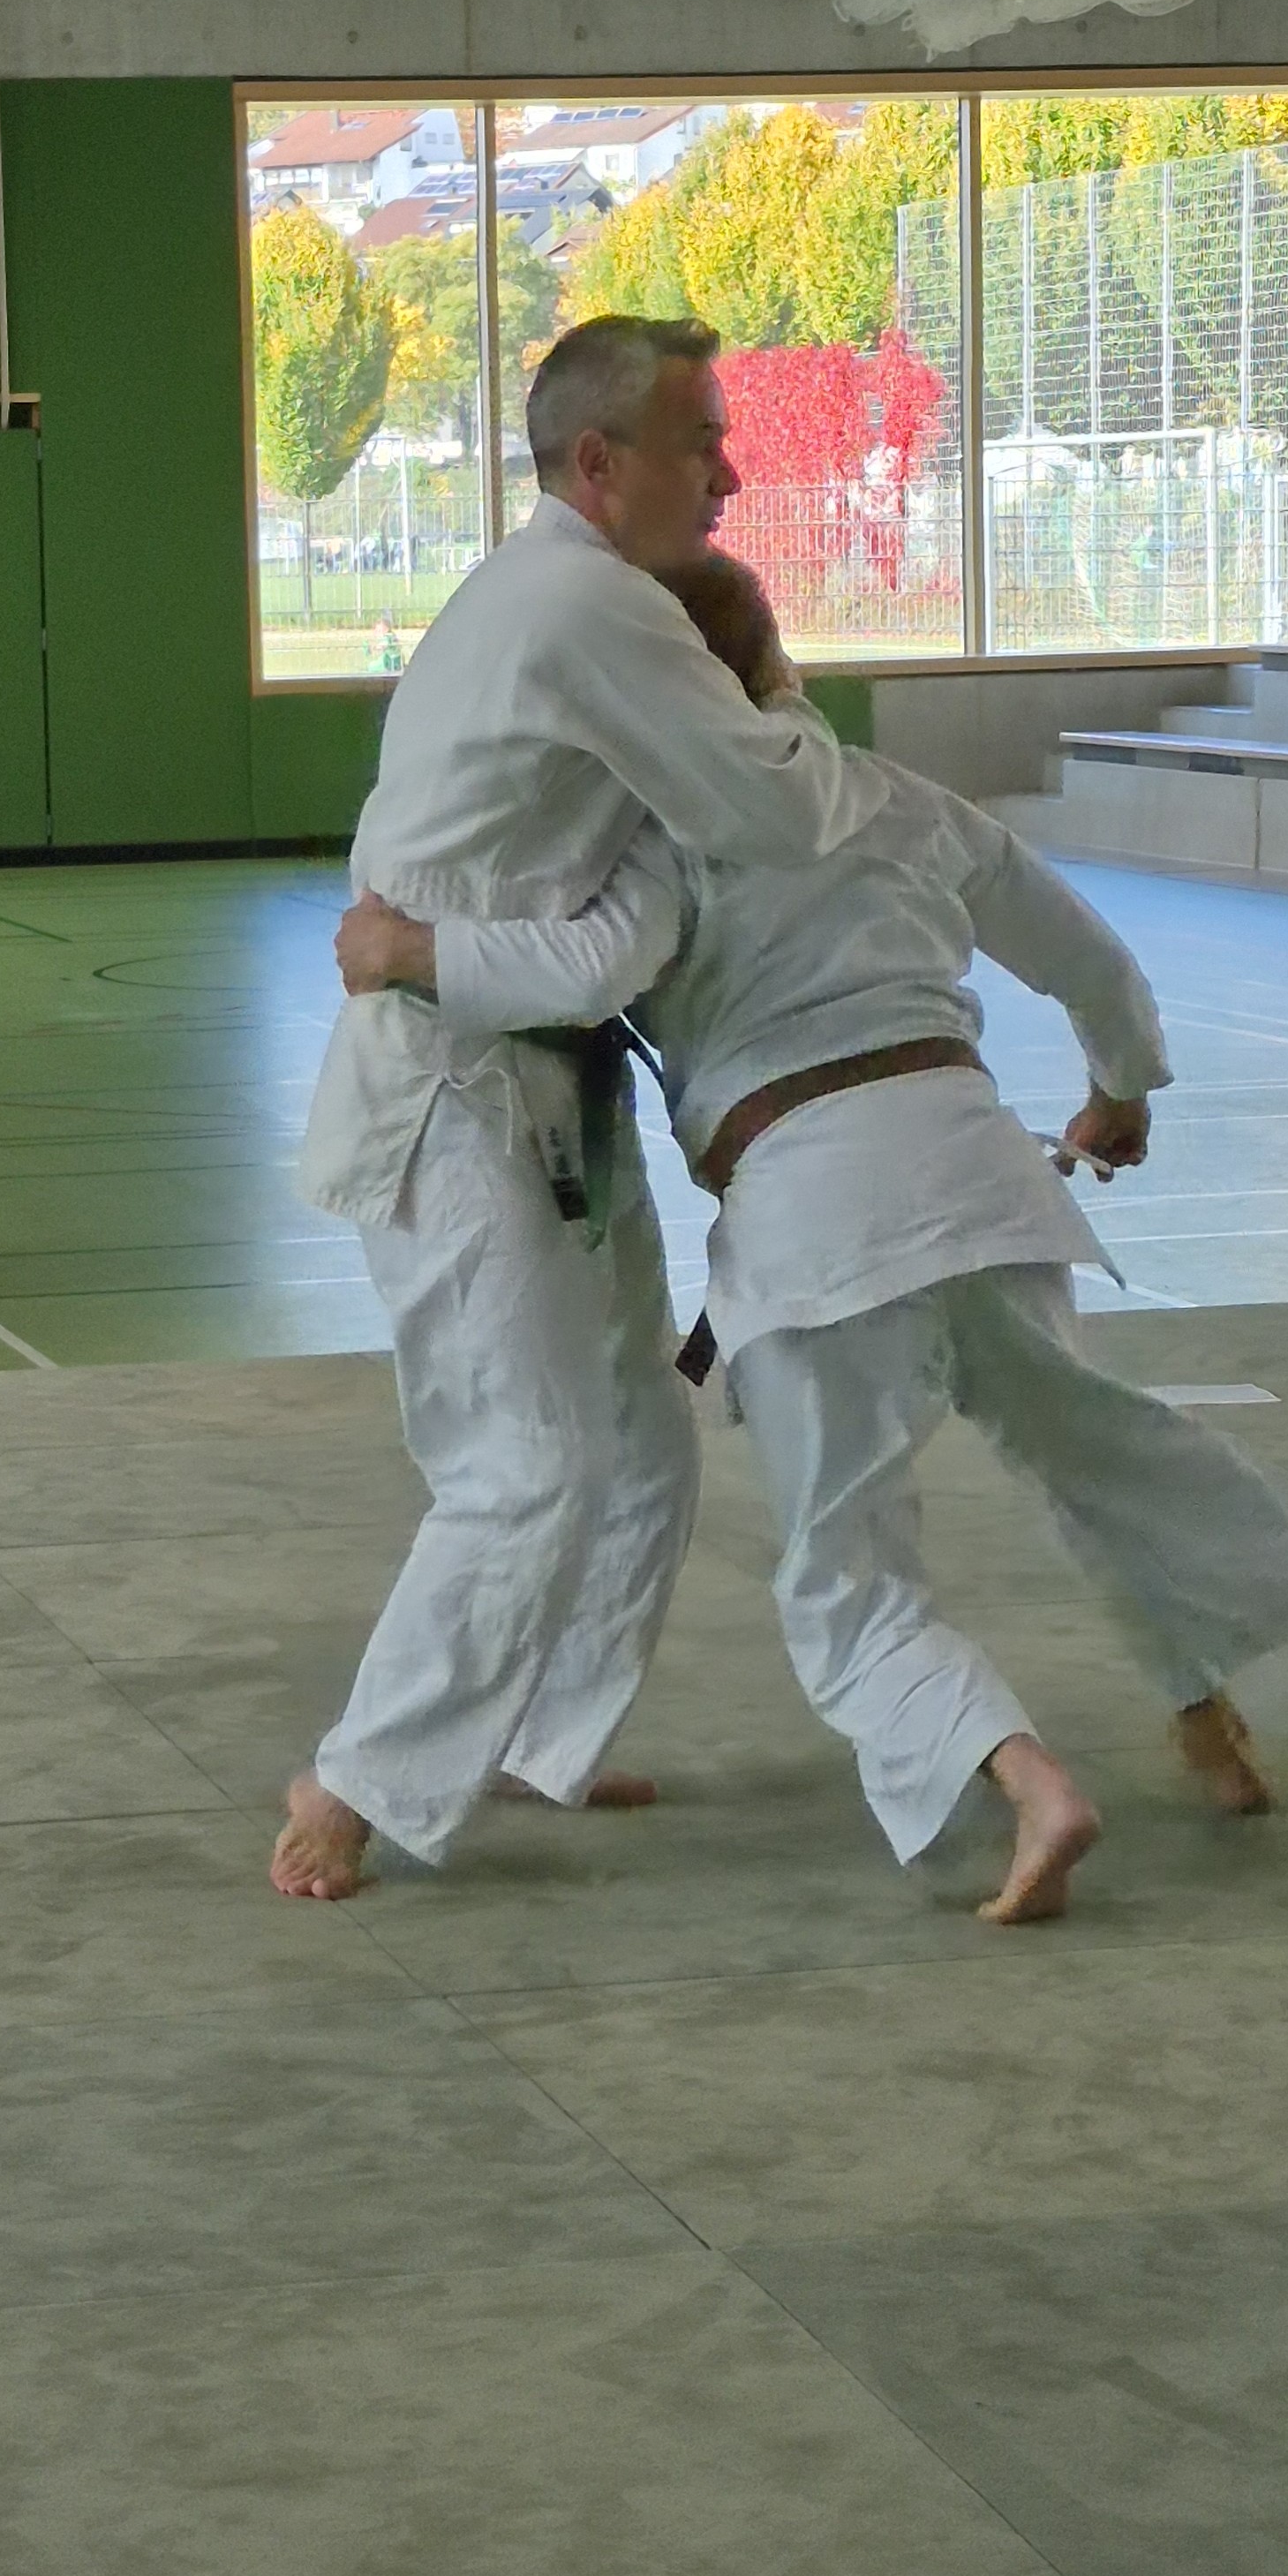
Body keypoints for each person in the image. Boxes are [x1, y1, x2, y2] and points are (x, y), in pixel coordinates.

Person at [334, 555, 1288, 1924]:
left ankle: (1029, 1782)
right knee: (1095, 1451)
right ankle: (1207, 1719)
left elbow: (579, 974)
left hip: (818, 1224)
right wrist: (1119, 1090)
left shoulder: (659, 845)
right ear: (783, 670)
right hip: (983, 1178)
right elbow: (1090, 962)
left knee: (845, 1574)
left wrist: (414, 955)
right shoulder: (903, 802)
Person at [272, 318, 889, 1900]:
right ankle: (356, 1778)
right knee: (530, 1462)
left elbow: (618, 930)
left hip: (545, 1082)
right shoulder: (583, 602)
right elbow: (781, 807)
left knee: (641, 1441)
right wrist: (783, 696)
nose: (730, 476)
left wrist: (425, 945)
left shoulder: (556, 604)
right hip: (451, 1096)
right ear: (599, 465)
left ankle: (544, 1733)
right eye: (702, 443)